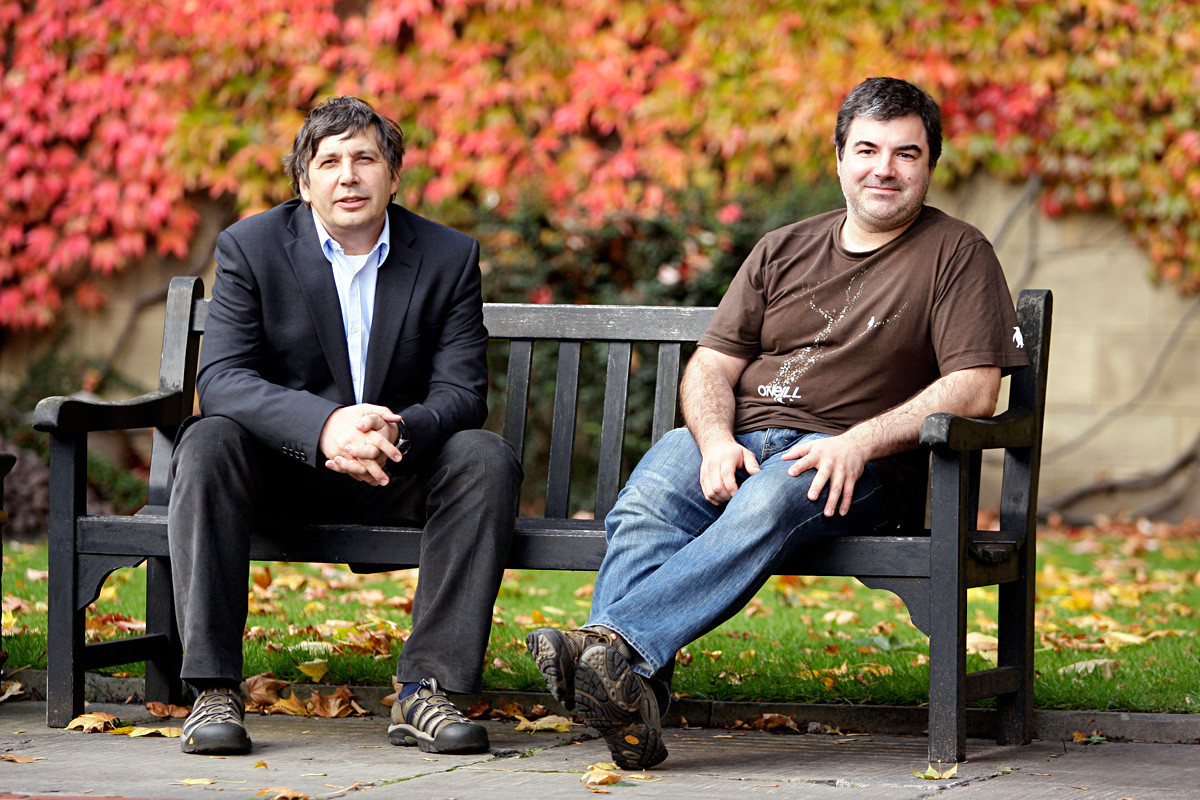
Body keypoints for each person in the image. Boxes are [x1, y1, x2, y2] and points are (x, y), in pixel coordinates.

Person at [525, 77, 1029, 770]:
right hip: (744, 439)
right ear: (838, 157)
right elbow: (709, 367)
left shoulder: (956, 251)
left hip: (865, 464)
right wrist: (713, 441)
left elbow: (973, 389)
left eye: (906, 153)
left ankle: (609, 650)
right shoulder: (782, 248)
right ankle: (631, 704)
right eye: (868, 149)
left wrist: (856, 442)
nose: (885, 168)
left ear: (929, 165)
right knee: (647, 500)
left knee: (770, 497)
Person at [168, 96, 521, 757]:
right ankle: (214, 687)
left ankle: (428, 691)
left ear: (394, 174)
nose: (347, 176)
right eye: (327, 161)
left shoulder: (446, 257)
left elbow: (461, 392)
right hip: (280, 471)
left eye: (365, 158)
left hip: (395, 466)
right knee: (209, 438)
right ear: (304, 182)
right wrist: (325, 425)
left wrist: (394, 431)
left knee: (484, 457)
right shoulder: (252, 247)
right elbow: (222, 380)